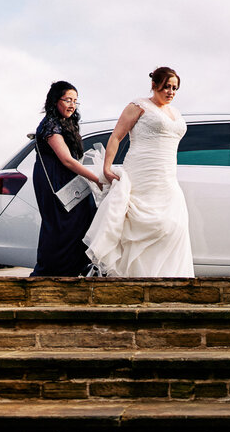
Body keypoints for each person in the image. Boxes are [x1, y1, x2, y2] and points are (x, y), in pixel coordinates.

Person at [83, 67, 194, 277]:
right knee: (140, 226)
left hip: (167, 177)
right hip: (141, 174)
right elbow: (116, 136)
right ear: (154, 85)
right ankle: (132, 278)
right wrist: (107, 167)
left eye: (175, 88)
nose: (171, 92)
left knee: (173, 225)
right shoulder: (139, 106)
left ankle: (167, 279)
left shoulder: (176, 113)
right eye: (167, 86)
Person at [31, 81, 106, 277]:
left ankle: (73, 271)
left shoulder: (67, 123)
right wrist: (97, 179)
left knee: (84, 217)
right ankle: (49, 274)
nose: (72, 105)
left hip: (69, 180)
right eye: (68, 100)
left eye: (75, 101)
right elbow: (66, 160)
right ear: (55, 101)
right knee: (60, 226)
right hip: (54, 181)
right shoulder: (50, 124)